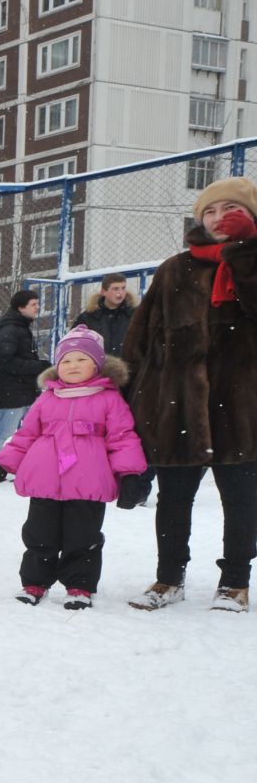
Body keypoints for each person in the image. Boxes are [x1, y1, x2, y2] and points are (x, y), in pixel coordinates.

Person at [119, 176, 257, 613]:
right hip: (176, 405)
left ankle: (235, 582)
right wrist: (133, 399)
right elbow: (139, 341)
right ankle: (168, 578)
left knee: (240, 501)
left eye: (230, 211)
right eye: (210, 212)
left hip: (241, 406)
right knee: (174, 499)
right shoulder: (174, 268)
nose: (217, 219)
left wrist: (244, 257)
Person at [0, 327, 145, 609]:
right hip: (45, 480)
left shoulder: (109, 398)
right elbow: (25, 436)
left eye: (81, 359)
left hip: (87, 482)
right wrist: (1, 466)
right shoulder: (47, 398)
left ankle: (79, 586)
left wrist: (129, 474)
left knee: (83, 537)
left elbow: (122, 438)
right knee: (39, 534)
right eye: (66, 360)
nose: (73, 366)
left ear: (96, 364)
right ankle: (34, 582)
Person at [0, 289, 49, 468]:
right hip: (12, 393)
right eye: (33, 304)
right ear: (21, 307)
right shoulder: (10, 330)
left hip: (24, 390)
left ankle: (20, 465)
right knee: (2, 433)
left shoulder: (20, 328)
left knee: (29, 432)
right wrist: (39, 366)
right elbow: (5, 361)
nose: (37, 307)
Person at [73, 274, 138, 356]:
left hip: (130, 366)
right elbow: (74, 344)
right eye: (115, 289)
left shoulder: (136, 315)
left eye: (123, 288)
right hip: (99, 366)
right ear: (103, 292)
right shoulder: (87, 318)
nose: (120, 293)